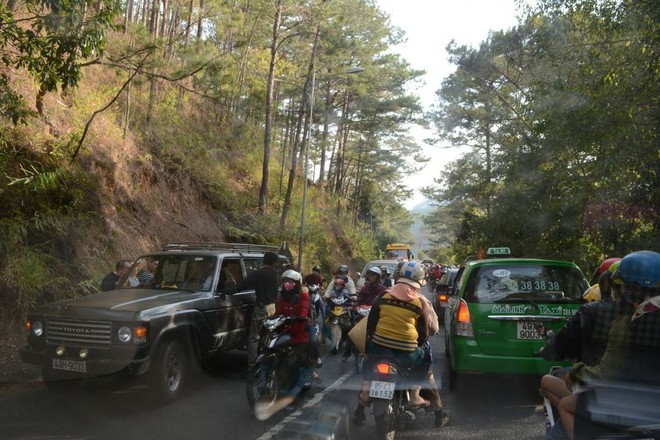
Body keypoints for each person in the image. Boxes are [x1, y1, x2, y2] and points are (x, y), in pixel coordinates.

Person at [556, 251, 660, 440]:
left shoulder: (638, 319)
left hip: (635, 403)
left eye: (627, 285)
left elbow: (610, 372)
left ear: (637, 287)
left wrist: (576, 373)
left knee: (566, 405)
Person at [353, 260, 449, 428]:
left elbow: (371, 323)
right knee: (425, 362)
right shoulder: (421, 301)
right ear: (420, 281)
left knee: (369, 359)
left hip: (379, 348)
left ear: (398, 276)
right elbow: (424, 333)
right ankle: (417, 397)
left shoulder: (383, 296)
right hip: (406, 352)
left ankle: (364, 398)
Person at [236, 251, 280, 369]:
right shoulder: (275, 274)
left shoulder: (258, 274)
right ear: (274, 262)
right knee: (268, 335)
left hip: (261, 308)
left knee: (254, 337)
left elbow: (242, 285)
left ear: (263, 260)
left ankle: (252, 365)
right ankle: (268, 361)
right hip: (272, 308)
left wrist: (231, 288)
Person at [342, 266, 386, 360]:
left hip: (375, 316)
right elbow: (359, 300)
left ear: (378, 277)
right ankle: (347, 353)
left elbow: (385, 303)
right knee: (352, 330)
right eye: (369, 275)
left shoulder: (383, 290)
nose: (370, 277)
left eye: (373, 275)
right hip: (362, 314)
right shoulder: (365, 288)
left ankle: (380, 356)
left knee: (381, 332)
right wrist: (353, 307)